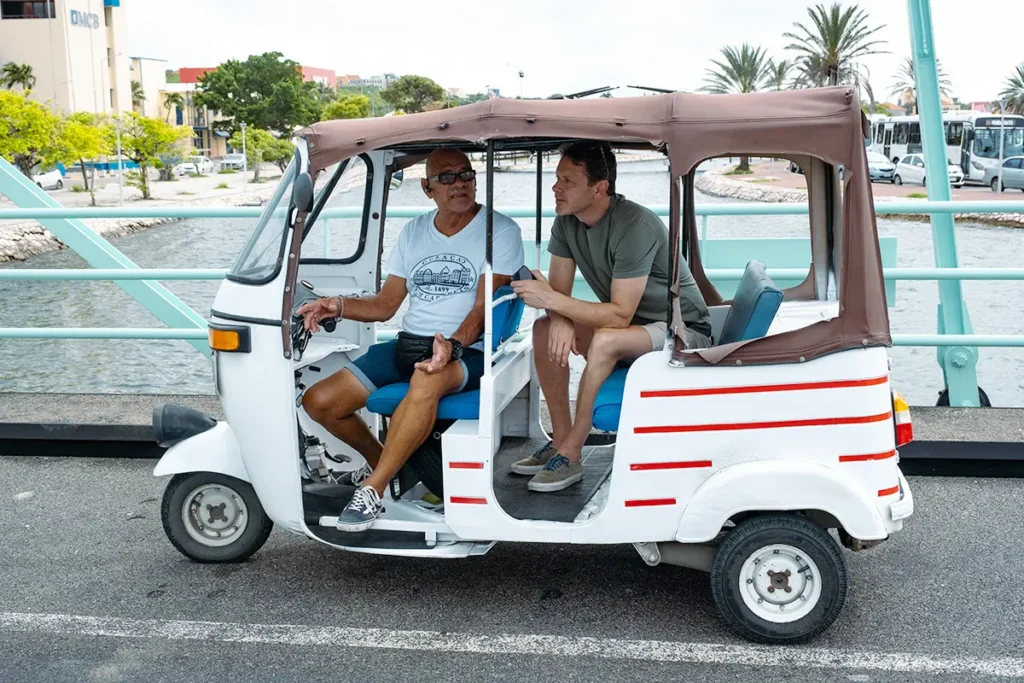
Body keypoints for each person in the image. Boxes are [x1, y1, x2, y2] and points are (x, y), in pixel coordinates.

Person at [298, 148, 525, 530]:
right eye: (448, 178)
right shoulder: (414, 232)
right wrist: (335, 305)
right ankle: (386, 467)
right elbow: (386, 305)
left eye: (466, 175)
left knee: (426, 378)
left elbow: (483, 311)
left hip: (466, 350)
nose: (460, 184)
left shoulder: (499, 230)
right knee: (319, 401)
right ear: (427, 188)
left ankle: (373, 490)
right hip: (410, 343)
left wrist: (451, 348)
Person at [510, 141, 711, 492]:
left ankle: (572, 455)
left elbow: (618, 316)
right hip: (636, 329)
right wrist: (557, 316)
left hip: (682, 331)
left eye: (567, 181)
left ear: (599, 188)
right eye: (557, 179)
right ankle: (559, 441)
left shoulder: (635, 225)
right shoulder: (566, 221)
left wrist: (552, 301)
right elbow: (557, 295)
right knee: (543, 328)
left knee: (605, 339)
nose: (556, 188)